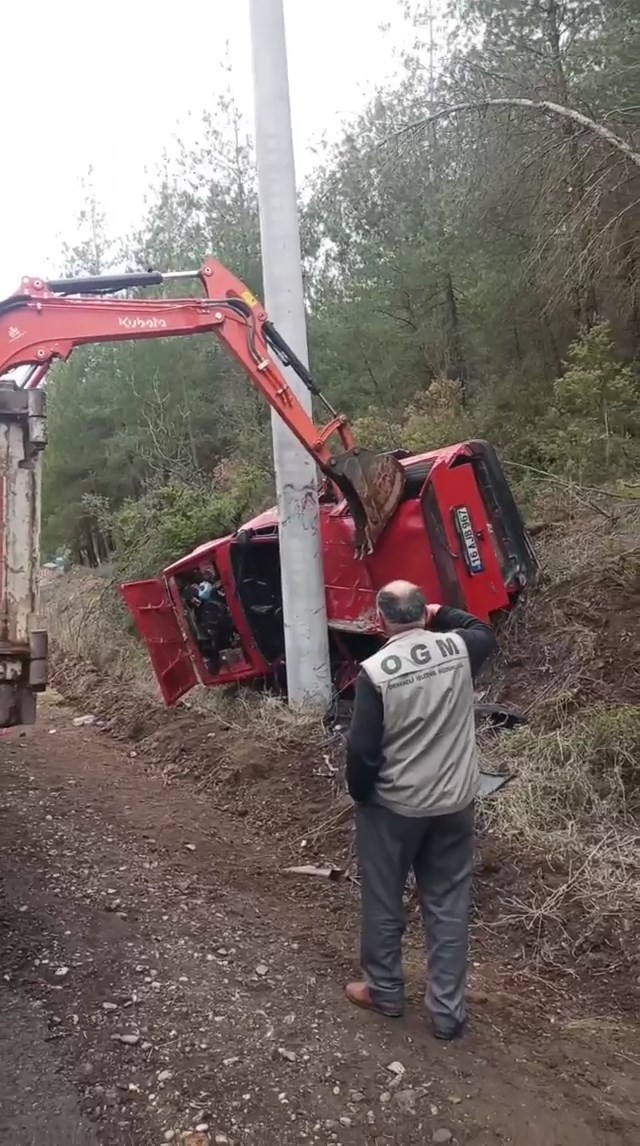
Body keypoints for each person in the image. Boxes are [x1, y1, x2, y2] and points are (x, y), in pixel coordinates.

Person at [345, 579, 497, 1040]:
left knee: (385, 897)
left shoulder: (374, 672)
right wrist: (441, 611)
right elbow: (480, 628)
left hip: (396, 806)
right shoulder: (460, 648)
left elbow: (362, 753)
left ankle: (386, 991)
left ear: (381, 619)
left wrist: (361, 795)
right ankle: (448, 1013)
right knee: (448, 905)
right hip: (455, 802)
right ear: (422, 613)